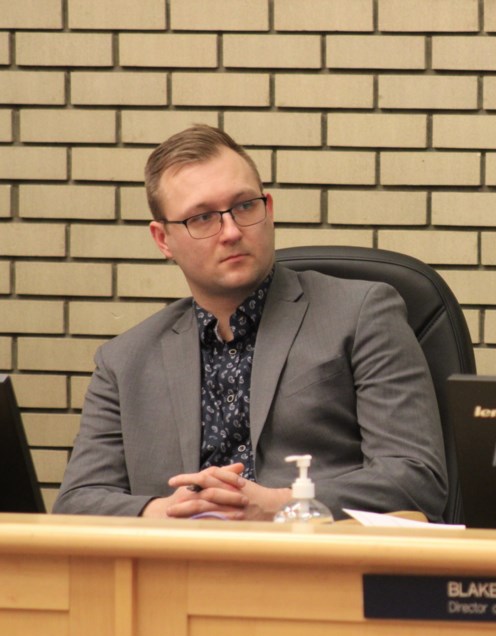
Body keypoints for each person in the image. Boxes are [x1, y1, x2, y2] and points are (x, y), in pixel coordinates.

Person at [53, 125, 447, 522]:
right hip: (177, 575)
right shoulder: (124, 362)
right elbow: (77, 501)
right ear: (163, 240)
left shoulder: (362, 314)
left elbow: (416, 479)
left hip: (318, 569)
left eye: (244, 207)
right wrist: (169, 510)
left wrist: (280, 506)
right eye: (202, 217)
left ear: (268, 209)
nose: (230, 231)